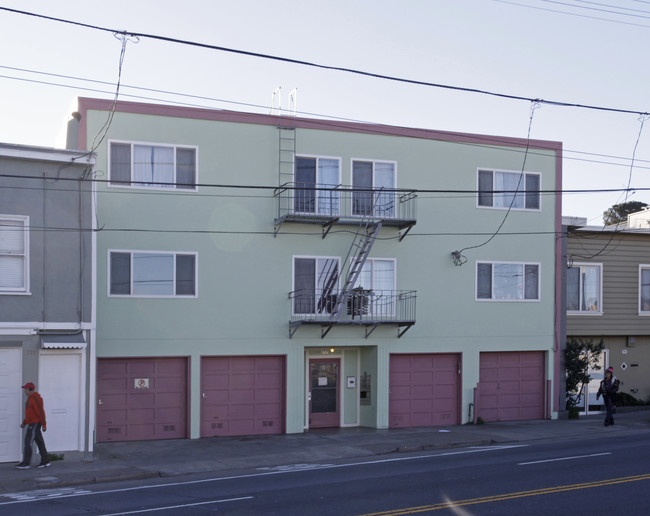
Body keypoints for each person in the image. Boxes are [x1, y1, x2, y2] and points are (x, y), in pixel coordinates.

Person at [16, 382, 50, 470]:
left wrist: (44, 424)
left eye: (26, 389)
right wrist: (24, 423)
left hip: (35, 424)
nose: (24, 391)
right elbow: (29, 415)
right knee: (39, 442)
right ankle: (45, 461)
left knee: (28, 442)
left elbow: (41, 412)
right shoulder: (30, 399)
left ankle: (26, 463)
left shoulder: (35, 398)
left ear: (30, 389)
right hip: (32, 423)